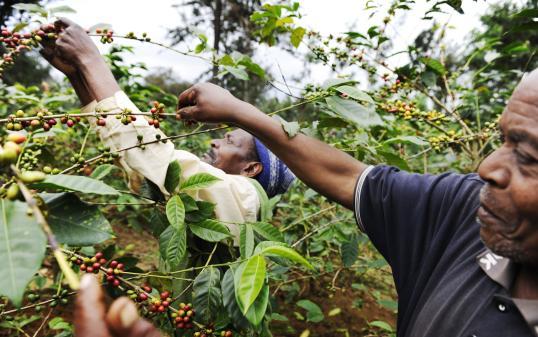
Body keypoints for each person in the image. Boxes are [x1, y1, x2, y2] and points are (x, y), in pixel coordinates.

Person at [174, 78, 538, 334]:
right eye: (502, 140)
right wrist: (238, 111)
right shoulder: (464, 212)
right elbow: (349, 178)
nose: (487, 167)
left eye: (526, 155)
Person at [40, 19, 295, 241]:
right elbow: (137, 160)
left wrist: (90, 60)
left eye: (229, 141)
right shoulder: (210, 198)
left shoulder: (246, 198)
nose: (214, 143)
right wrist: (78, 75)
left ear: (250, 169)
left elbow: (158, 160)